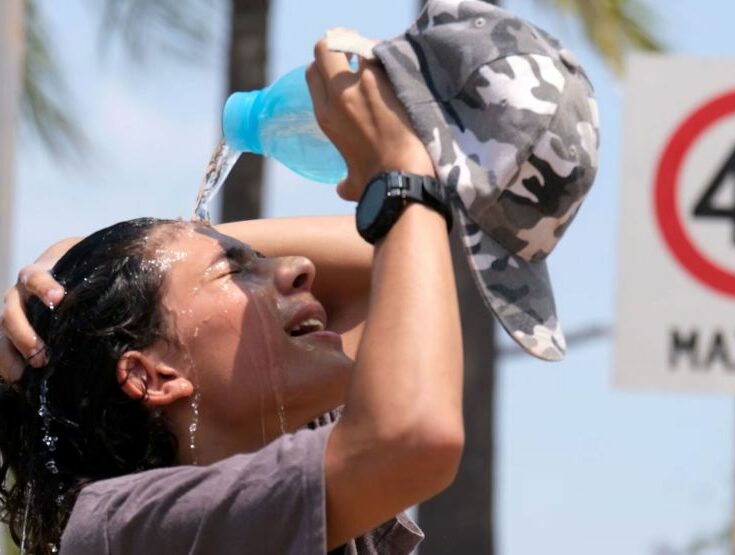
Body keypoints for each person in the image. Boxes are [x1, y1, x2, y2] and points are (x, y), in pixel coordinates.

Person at [0, 38, 464, 555]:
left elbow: (399, 256)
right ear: (151, 375)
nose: (301, 268)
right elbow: (415, 436)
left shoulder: (288, 458)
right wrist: (402, 172)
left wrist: (110, 252)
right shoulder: (121, 529)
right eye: (236, 271)